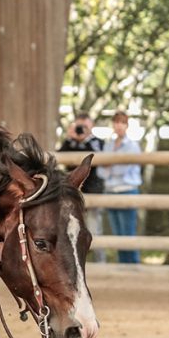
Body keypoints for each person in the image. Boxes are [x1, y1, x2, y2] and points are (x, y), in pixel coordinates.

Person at [59, 112, 106, 263]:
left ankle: (100, 263)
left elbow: (97, 158)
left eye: (85, 126)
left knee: (94, 228)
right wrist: (69, 138)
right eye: (79, 126)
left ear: (92, 126)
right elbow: (60, 156)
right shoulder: (70, 143)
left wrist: (85, 139)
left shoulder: (97, 142)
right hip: (72, 193)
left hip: (92, 191)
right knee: (70, 229)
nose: (81, 129)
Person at [102, 111, 142, 264]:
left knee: (128, 233)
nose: (119, 125)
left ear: (127, 125)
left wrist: (109, 164)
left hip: (127, 190)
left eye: (122, 122)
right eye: (116, 122)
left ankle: (133, 266)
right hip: (110, 191)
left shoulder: (132, 146)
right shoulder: (108, 145)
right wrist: (111, 165)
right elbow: (100, 171)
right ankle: (123, 265)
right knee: (117, 234)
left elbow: (122, 170)